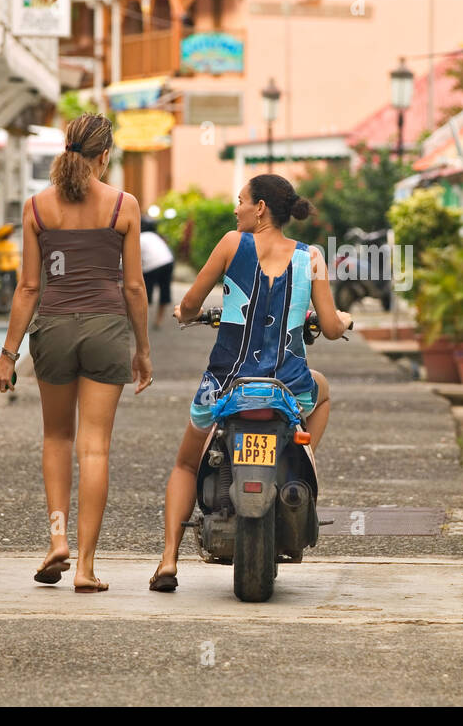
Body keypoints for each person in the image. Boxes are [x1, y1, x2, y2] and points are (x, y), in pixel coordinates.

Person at [148, 173, 352, 592]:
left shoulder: (230, 244)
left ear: (260, 208)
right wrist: (344, 319)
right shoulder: (310, 256)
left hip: (225, 384)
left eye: (240, 200)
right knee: (324, 390)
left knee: (186, 463)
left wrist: (186, 315)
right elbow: (330, 328)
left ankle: (168, 560)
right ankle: (299, 461)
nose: (236, 208)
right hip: (289, 388)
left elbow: (188, 303)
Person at [0, 113, 154, 594]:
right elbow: (135, 287)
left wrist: (7, 354)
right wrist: (142, 349)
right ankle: (84, 567)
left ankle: (57, 538)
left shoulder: (38, 208)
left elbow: (29, 287)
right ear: (104, 156)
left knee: (56, 438)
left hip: (53, 331)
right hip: (106, 329)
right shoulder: (124, 205)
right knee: (94, 447)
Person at [139, 217, 175, 327]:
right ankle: (158, 321)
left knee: (143, 295)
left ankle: (139, 321)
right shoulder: (157, 236)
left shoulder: (139, 237)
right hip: (168, 262)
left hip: (151, 266)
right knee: (165, 292)